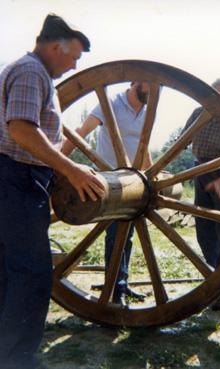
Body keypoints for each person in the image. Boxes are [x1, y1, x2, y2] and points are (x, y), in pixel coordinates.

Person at [0, 14, 105, 369]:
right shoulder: (31, 72)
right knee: (31, 271)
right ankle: (16, 359)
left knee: (10, 270)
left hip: (15, 178)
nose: (74, 64)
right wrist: (71, 170)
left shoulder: (33, 72)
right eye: (73, 56)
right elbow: (22, 130)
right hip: (15, 179)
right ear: (54, 46)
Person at [62, 81, 152, 305]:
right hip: (110, 181)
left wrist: (152, 174)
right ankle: (116, 288)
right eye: (150, 85)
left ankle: (121, 282)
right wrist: (59, 163)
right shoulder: (110, 104)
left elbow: (144, 144)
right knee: (116, 235)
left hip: (134, 181)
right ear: (135, 83)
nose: (154, 91)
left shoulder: (146, 110)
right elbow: (82, 133)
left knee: (127, 235)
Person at [183, 78, 220, 311]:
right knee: (205, 231)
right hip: (202, 171)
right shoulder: (198, 113)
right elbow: (183, 141)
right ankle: (214, 278)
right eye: (219, 96)